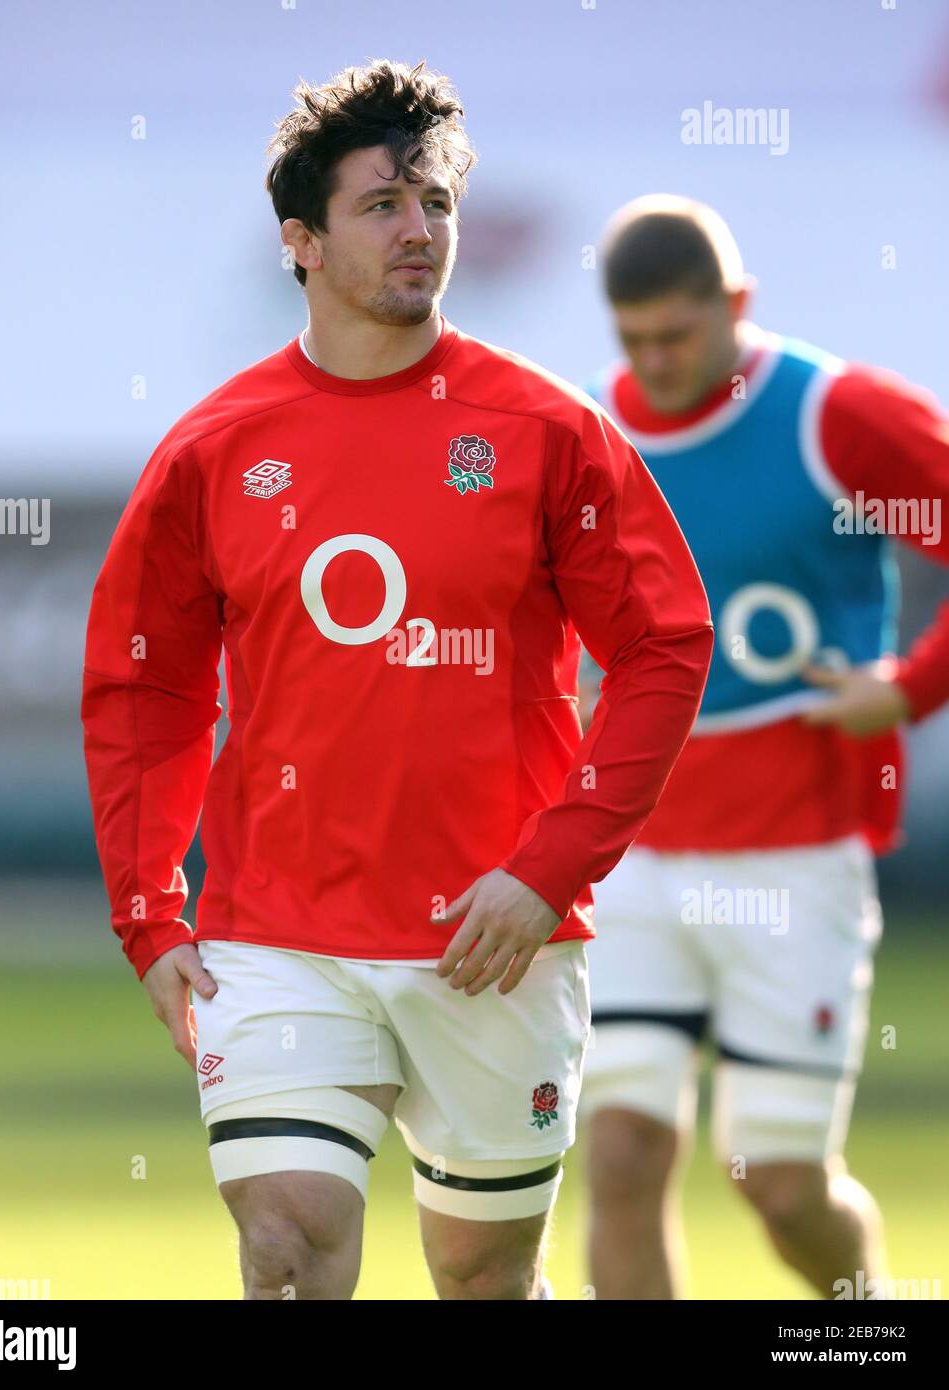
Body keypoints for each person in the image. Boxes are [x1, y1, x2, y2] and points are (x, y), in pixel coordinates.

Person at [80, 67, 712, 1301]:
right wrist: (150, 909)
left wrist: (548, 869)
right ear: (301, 242)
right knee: (286, 1248)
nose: (418, 228)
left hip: (493, 937)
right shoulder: (215, 448)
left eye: (433, 199)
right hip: (276, 935)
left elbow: (662, 647)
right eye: (381, 205)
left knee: (482, 1278)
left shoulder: (545, 430)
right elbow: (142, 686)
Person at [578, 194, 949, 1299]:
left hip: (794, 856)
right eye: (631, 339)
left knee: (781, 1184)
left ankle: (865, 1315)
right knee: (618, 1150)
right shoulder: (590, 432)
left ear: (734, 304)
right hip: (633, 855)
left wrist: (909, 688)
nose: (653, 362)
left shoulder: (832, 416)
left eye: (676, 336)